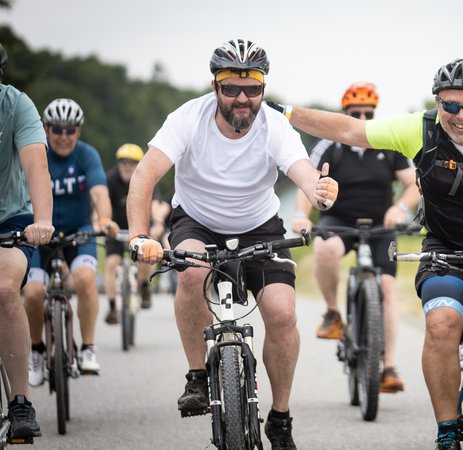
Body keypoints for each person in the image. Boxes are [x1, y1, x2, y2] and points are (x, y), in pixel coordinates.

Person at [268, 58, 463, 449]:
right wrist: (285, 112)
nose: (460, 116)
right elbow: (352, 129)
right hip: (445, 246)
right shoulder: (419, 130)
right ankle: (447, 430)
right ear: (438, 101)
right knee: (441, 324)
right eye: (450, 105)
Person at [127, 38, 338, 450]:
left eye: (253, 88)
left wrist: (321, 190)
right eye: (231, 87)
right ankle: (197, 377)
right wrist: (138, 235)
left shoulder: (274, 125)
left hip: (260, 225)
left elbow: (305, 173)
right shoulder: (188, 118)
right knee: (191, 274)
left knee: (281, 314)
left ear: (263, 87)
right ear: (215, 87)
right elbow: (144, 176)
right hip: (197, 221)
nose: (243, 98)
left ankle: (280, 416)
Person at [290, 82, 419, 393]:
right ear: (344, 113)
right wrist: (301, 215)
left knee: (387, 289)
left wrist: (399, 207)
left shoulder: (388, 143)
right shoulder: (328, 144)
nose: (362, 116)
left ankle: (388, 366)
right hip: (340, 218)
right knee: (324, 249)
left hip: (380, 223)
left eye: (368, 112)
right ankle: (333, 312)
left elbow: (415, 185)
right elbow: (308, 182)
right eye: (355, 112)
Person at [23, 98, 119, 385]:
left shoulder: (87, 155)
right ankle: (37, 350)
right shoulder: (35, 153)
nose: (64, 137)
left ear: (78, 131)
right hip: (39, 233)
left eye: (71, 130)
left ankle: (88, 348)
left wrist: (103, 221)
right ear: (46, 129)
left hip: (79, 231)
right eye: (57, 130)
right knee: (33, 293)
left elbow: (100, 193)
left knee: (86, 279)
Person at [0, 42, 52, 441]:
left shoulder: (17, 105)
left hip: (11, 219)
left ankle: (20, 401)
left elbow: (35, 164)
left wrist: (43, 220)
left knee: (4, 288)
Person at [103, 143, 170, 324]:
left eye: (132, 163)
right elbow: (101, 205)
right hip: (116, 230)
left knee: (148, 255)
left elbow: (157, 205)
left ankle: (144, 285)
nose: (127, 166)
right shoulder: (110, 180)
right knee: (111, 263)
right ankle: (111, 308)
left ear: (139, 164)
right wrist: (102, 223)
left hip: (141, 230)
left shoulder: (145, 179)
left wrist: (157, 223)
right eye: (124, 162)